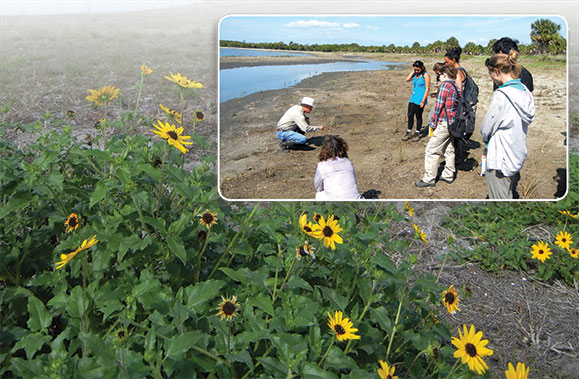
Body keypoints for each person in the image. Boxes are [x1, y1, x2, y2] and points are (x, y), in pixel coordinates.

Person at [481, 51, 535, 199]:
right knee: (508, 189)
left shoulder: (502, 94)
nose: (491, 77)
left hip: (500, 155)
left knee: (499, 198)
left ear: (496, 71)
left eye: (490, 73)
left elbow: (487, 127)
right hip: (516, 151)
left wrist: (485, 139)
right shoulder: (524, 91)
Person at [415, 65, 459, 188]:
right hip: (453, 123)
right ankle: (448, 174)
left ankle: (429, 178)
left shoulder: (445, 85)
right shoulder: (456, 85)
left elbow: (439, 107)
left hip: (444, 122)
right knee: (448, 148)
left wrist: (433, 123)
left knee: (431, 150)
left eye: (440, 74)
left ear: (445, 74)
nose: (439, 76)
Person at [314, 135, 363, 200]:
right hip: (357, 199)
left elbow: (318, 187)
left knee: (319, 194)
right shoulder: (348, 162)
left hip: (336, 200)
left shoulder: (322, 165)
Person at [403, 61, 430, 141]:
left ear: (422, 68)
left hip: (420, 99)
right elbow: (407, 79)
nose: (416, 71)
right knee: (410, 115)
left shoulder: (425, 75)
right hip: (413, 98)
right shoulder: (415, 74)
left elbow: (427, 88)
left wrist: (423, 101)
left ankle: (417, 133)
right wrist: (414, 72)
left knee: (418, 116)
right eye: (415, 69)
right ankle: (409, 132)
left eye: (418, 69)